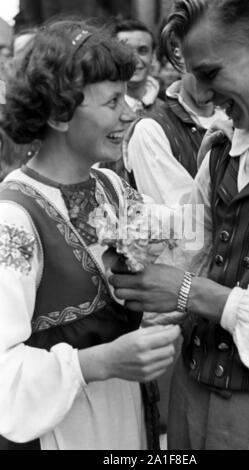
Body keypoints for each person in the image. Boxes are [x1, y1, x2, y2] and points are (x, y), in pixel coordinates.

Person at [110, 0, 249, 450]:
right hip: (191, 400)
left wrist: (193, 293)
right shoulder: (220, 153)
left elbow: (189, 283)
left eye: (211, 73)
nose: (205, 95)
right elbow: (192, 239)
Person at [0, 19, 180, 450]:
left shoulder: (111, 187)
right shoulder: (13, 220)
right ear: (59, 113)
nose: (129, 112)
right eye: (113, 100)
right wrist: (97, 362)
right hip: (63, 430)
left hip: (126, 416)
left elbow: (178, 232)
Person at [124, 70, 226, 205]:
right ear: (179, 55)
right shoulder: (151, 129)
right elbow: (178, 218)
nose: (209, 79)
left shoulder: (239, 122)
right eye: (202, 68)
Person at [115, 19, 163, 116]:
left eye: (142, 50)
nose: (135, 59)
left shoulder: (168, 111)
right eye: (125, 51)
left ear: (153, 57)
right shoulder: (103, 111)